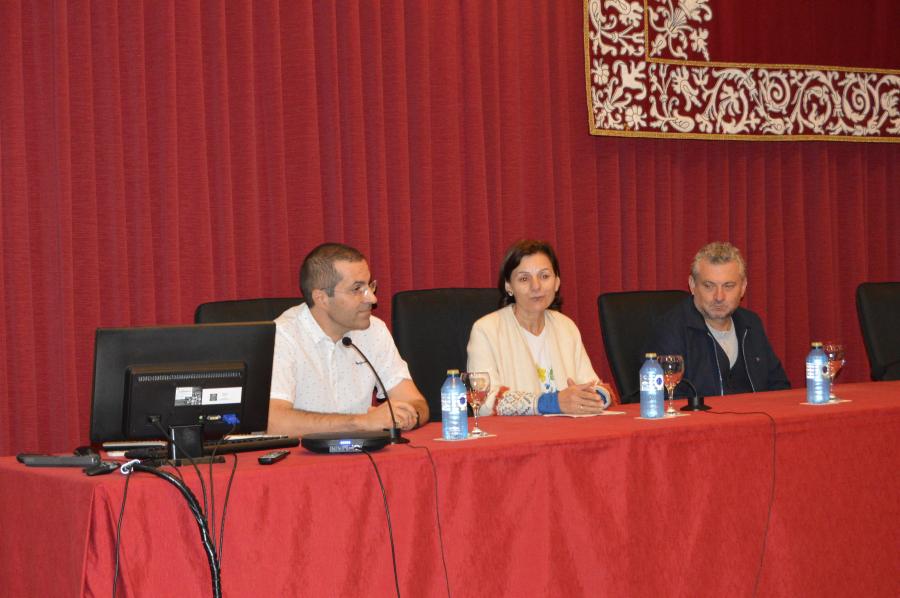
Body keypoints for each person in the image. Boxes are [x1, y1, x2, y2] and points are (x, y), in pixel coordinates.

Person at [267, 243, 429, 436]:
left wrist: (406, 417)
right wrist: (362, 422)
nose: (372, 299)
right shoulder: (283, 336)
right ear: (321, 298)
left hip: (364, 457)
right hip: (301, 461)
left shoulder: (374, 330)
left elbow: (416, 402)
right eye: (357, 289)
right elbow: (274, 423)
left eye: (370, 285)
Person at [466, 239, 615, 416]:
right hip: (515, 438)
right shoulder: (486, 330)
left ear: (557, 282)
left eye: (544, 276)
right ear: (509, 286)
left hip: (567, 433)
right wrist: (552, 402)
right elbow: (484, 400)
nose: (536, 286)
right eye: (524, 279)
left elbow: (594, 385)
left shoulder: (565, 326)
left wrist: (594, 398)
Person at [651, 241, 790, 397]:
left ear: (743, 287)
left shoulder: (751, 324)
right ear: (692, 285)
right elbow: (667, 399)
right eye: (709, 286)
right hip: (703, 420)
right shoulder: (671, 330)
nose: (719, 297)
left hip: (756, 419)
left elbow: (779, 388)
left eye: (728, 286)